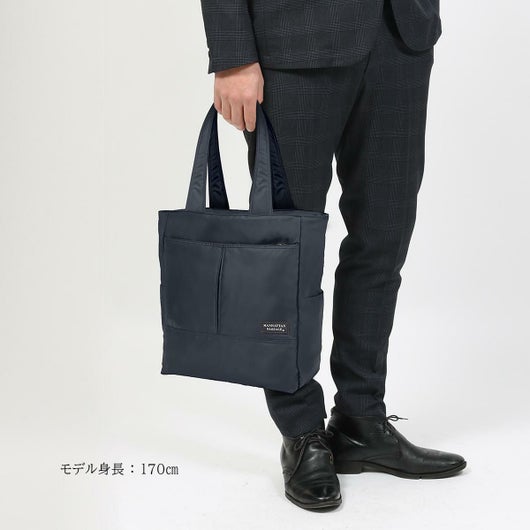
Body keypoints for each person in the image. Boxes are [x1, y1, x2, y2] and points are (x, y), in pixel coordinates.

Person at [200, 0, 467, 510]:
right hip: (292, 40)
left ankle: (361, 420)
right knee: (287, 254)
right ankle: (301, 431)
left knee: (384, 238)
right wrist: (233, 54)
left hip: (400, 38)